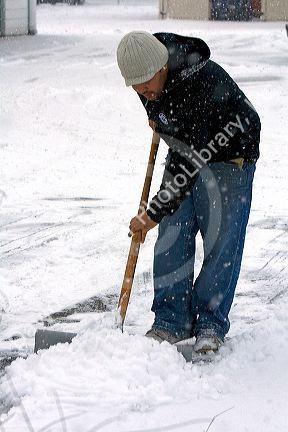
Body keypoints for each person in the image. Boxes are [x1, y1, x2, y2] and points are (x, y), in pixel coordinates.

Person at [116, 31, 261, 353]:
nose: (141, 91)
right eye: (135, 86)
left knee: (220, 240)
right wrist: (159, 119)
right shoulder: (147, 74)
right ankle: (171, 322)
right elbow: (174, 129)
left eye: (146, 84)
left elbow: (194, 158)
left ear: (162, 66)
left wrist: (153, 212)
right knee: (173, 235)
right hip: (188, 149)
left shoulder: (201, 83)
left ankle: (210, 322)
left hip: (228, 151)